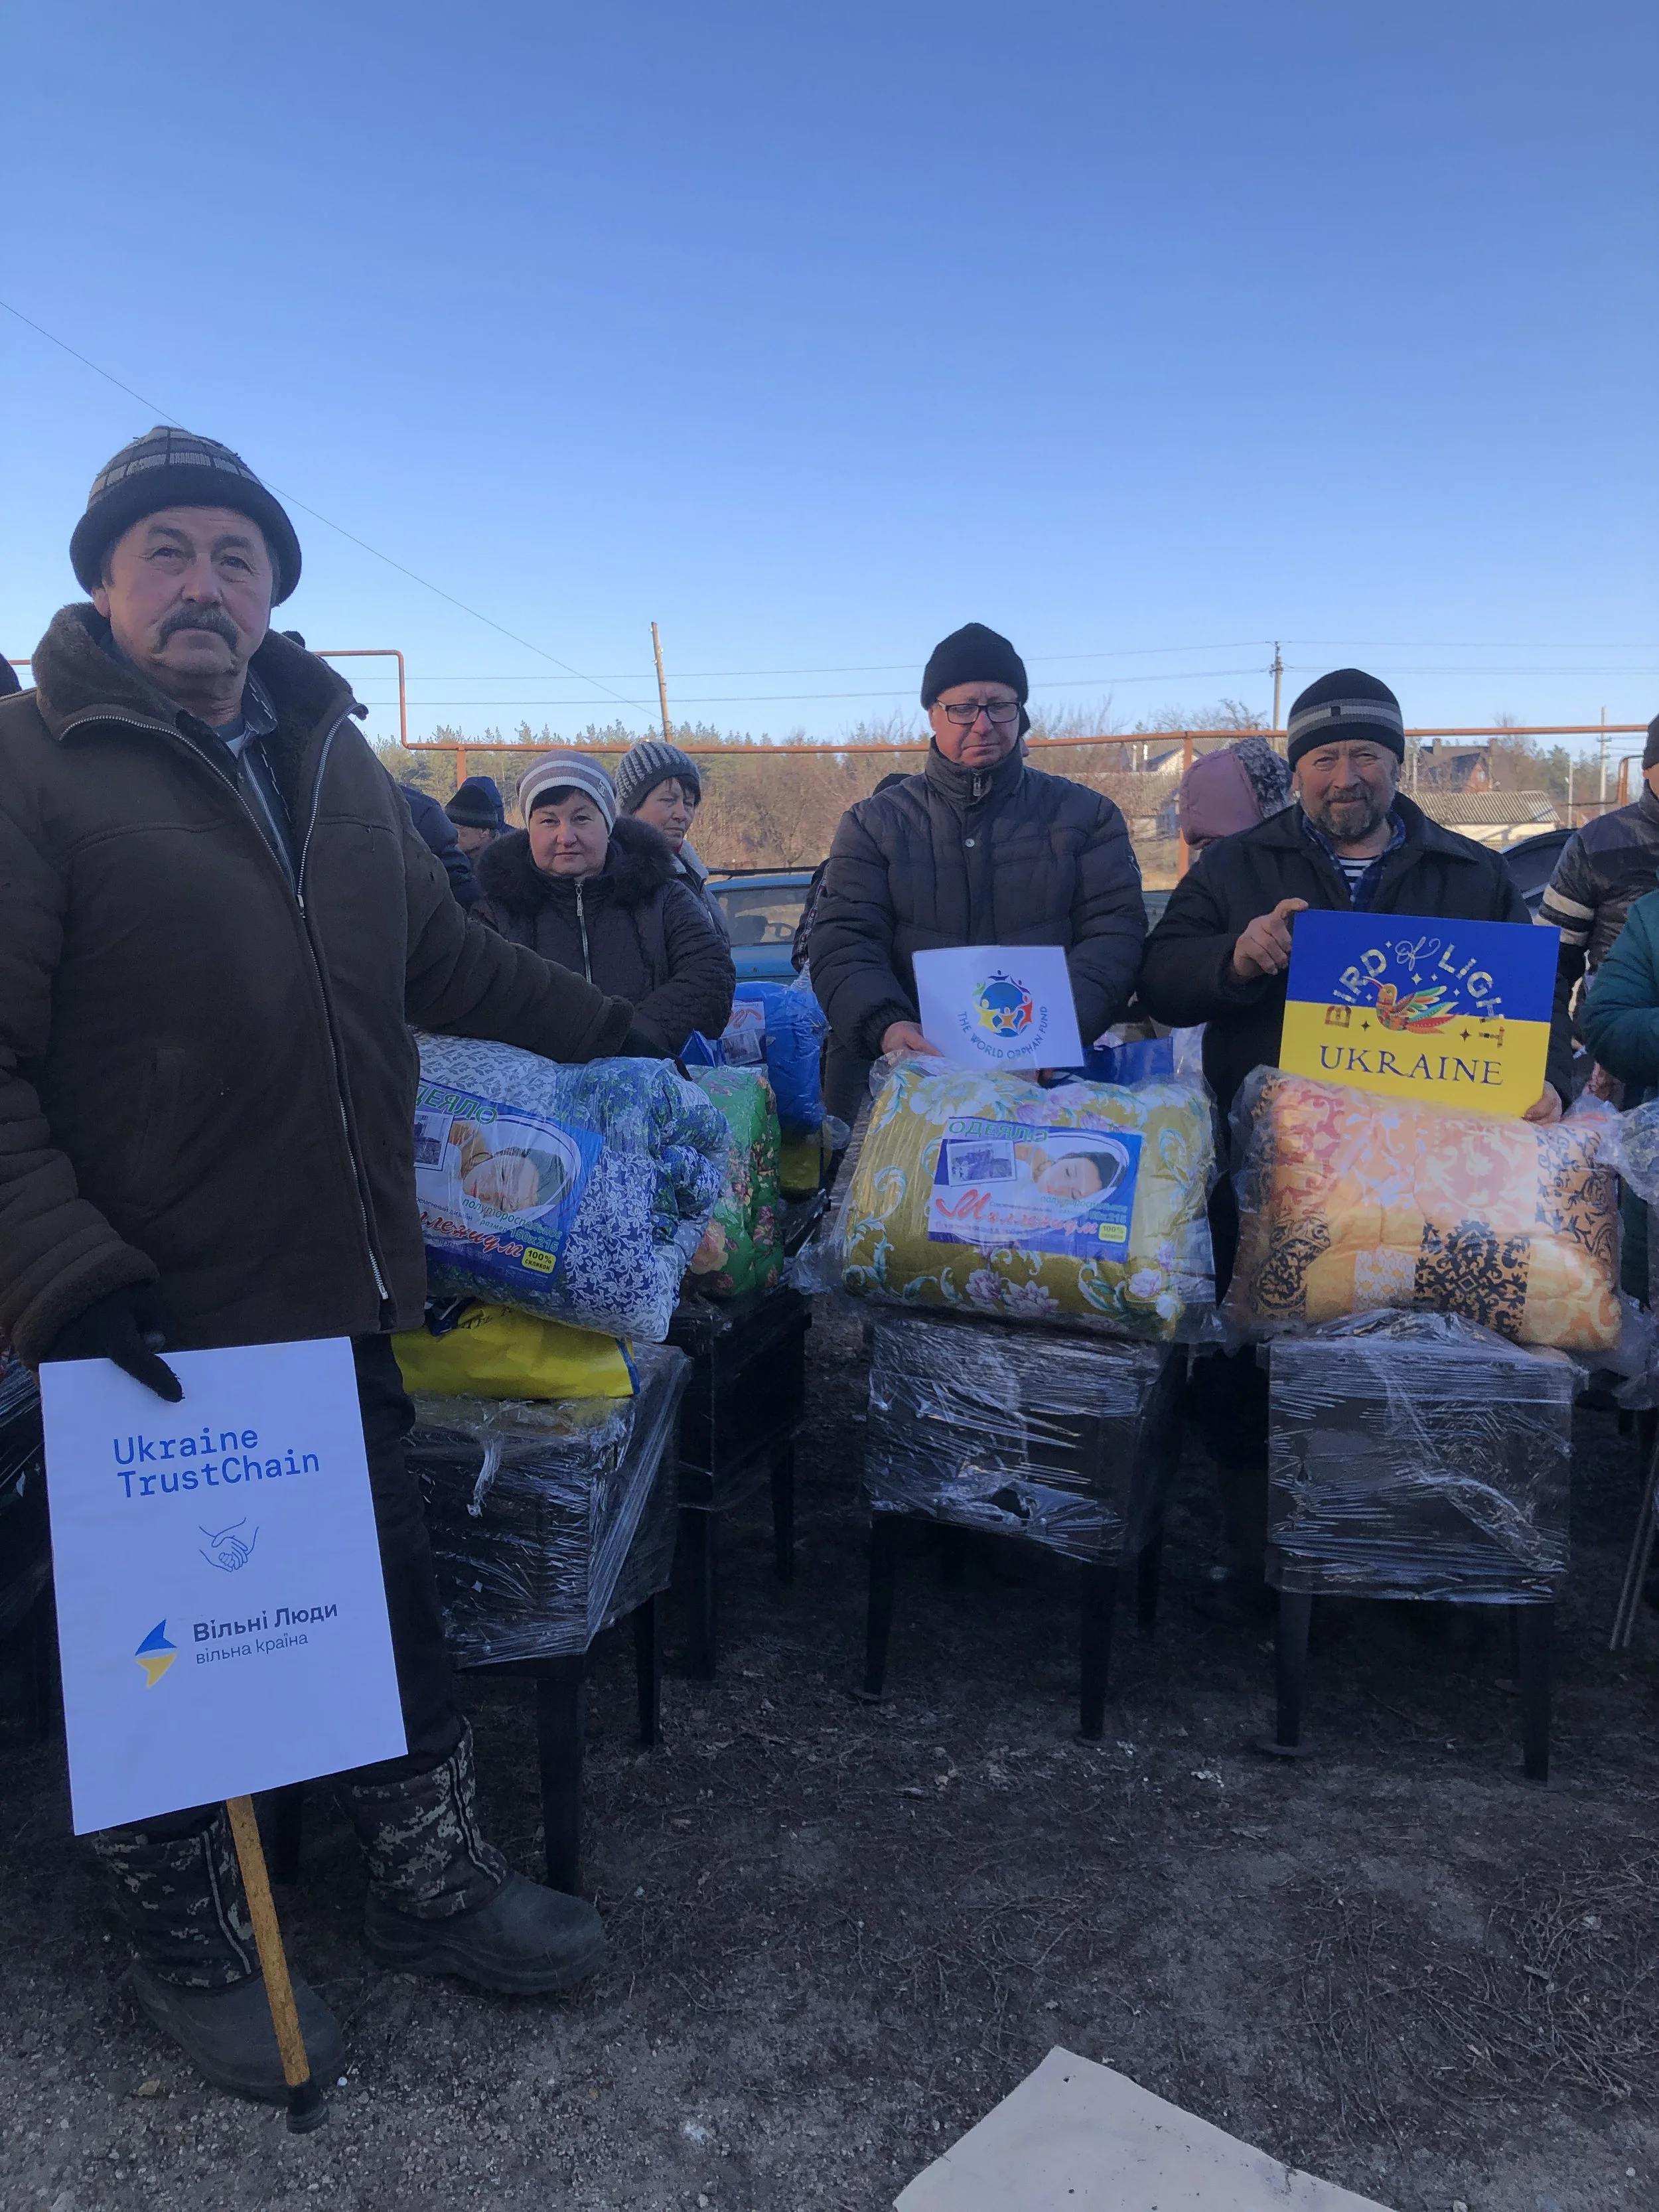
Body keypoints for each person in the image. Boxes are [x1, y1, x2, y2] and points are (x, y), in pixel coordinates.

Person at [0, 427, 652, 2107]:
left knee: (372, 1594)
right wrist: (63, 1266)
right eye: (165, 552)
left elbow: (447, 959)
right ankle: (189, 1936)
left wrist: (623, 1035)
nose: (203, 583)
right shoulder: (30, 765)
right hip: (143, 1311)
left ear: (273, 591)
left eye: (237, 556)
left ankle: (427, 1879)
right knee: (159, 1645)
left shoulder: (336, 761)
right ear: (102, 582)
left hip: (334, 1282)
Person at [1137, 668, 1566, 1587]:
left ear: (1396, 763)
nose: (1345, 776)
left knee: (1421, 1370)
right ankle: (1263, 1564)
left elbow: (1537, 1004)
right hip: (1274, 1178)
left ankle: (1411, 1554)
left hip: (1434, 1187)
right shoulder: (1236, 867)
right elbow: (1162, 980)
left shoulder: (1472, 871)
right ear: (1297, 770)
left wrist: (1551, 1082)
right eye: (1324, 757)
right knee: (1254, 1367)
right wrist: (1235, 957)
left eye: (1365, 754)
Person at [808, 623, 1146, 1115]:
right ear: (933, 714)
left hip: (1043, 1083)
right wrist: (887, 1025)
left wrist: (1060, 1027)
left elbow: (1115, 934)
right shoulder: (873, 824)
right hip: (906, 1085)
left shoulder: (1086, 817)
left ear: (1020, 712)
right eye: (963, 708)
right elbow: (844, 941)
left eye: (1000, 706)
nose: (983, 724)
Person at [474, 750, 735, 1056]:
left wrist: (629, 1038)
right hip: (533, 1082)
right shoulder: (495, 913)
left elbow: (710, 974)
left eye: (581, 819)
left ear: (608, 824)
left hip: (647, 1073)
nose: (566, 837)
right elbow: (478, 995)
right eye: (548, 820)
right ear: (529, 830)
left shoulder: (664, 897)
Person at [613, 738, 730, 942]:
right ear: (632, 808)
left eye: (689, 803)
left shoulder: (693, 874)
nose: (682, 815)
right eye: (668, 800)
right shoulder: (623, 883)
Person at [400, 778, 481, 907]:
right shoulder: (424, 810)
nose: (456, 834)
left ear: (484, 831)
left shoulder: (422, 812)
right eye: (452, 827)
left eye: (459, 827)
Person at [446, 773, 506, 859]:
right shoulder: (447, 859)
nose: (451, 834)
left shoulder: (512, 860)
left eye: (457, 827)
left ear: (483, 831)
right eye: (448, 826)